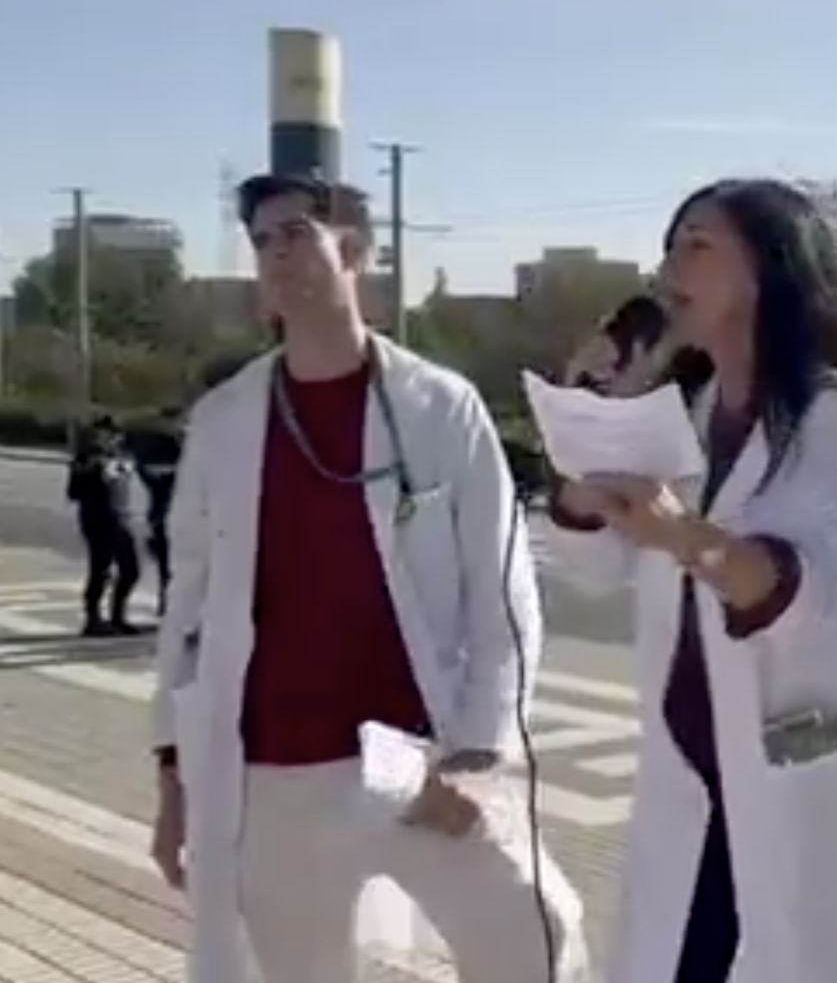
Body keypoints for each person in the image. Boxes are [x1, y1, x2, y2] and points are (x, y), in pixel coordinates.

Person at [148, 172, 589, 983]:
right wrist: (174, 782)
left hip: (412, 757)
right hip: (273, 769)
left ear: (352, 250)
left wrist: (481, 754)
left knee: (537, 935)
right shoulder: (224, 422)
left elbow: (504, 598)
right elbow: (188, 612)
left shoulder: (439, 406)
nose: (276, 256)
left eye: (296, 234)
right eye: (262, 242)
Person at [544, 179, 837, 983]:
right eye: (669, 246)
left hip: (796, 770)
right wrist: (588, 446)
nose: (669, 268)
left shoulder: (833, 419)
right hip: (689, 771)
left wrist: (691, 541)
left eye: (698, 245)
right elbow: (597, 568)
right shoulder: (678, 413)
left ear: (768, 270)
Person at [66, 414, 142, 637]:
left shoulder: (119, 458)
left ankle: (118, 616)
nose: (110, 439)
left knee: (130, 570)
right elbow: (73, 493)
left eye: (113, 435)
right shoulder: (85, 459)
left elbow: (123, 485)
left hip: (119, 519)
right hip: (97, 520)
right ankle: (93, 619)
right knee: (101, 570)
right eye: (103, 435)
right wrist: (89, 471)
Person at [132, 409, 182, 618]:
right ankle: (168, 602)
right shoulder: (158, 448)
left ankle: (174, 602)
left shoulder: (185, 446)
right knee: (168, 563)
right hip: (165, 515)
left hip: (182, 515)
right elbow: (147, 474)